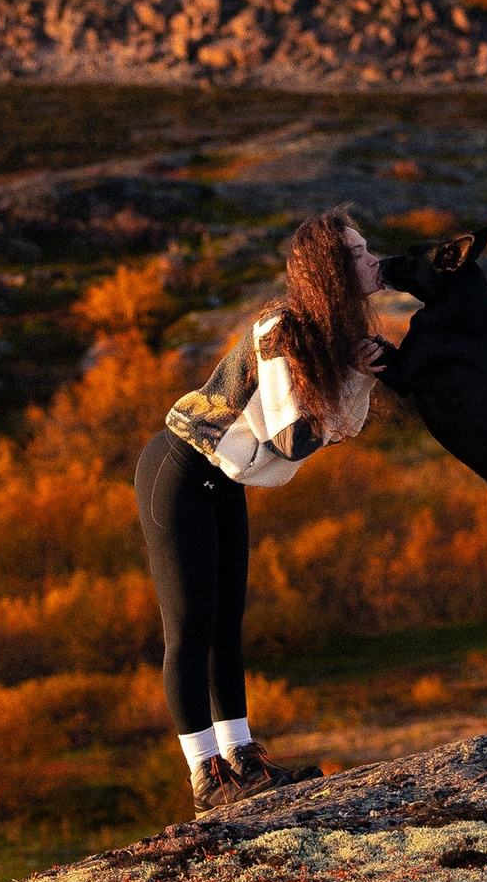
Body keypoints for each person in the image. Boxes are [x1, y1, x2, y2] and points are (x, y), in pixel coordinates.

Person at [134, 210, 417, 809]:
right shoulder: (281, 328)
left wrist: (357, 372)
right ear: (331, 271)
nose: (373, 261)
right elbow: (291, 439)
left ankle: (241, 758)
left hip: (222, 479)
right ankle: (206, 776)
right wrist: (354, 375)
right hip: (179, 470)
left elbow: (333, 430)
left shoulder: (329, 334)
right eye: (359, 253)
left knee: (225, 625)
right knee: (188, 628)